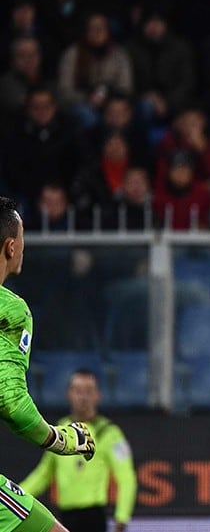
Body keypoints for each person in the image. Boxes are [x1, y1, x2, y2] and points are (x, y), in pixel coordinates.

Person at [0, 196, 97, 532]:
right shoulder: (10, 311)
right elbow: (12, 404)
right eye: (23, 240)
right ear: (11, 247)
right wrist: (63, 439)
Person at [21, 369, 136, 532]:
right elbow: (43, 474)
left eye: (89, 391)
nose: (83, 397)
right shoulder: (60, 431)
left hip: (93, 517)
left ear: (98, 395)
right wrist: (15, 495)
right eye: (78, 391)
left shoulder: (109, 433)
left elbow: (126, 478)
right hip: (64, 517)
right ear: (69, 394)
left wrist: (122, 518)